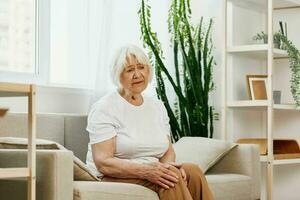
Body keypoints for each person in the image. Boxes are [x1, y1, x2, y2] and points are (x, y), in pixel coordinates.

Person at [86, 45, 214, 200]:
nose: (137, 74)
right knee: (170, 178)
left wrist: (165, 167)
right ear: (118, 75)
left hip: (149, 170)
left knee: (193, 171)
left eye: (141, 67)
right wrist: (146, 171)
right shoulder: (104, 108)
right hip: (112, 176)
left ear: (148, 71)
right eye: (130, 70)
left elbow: (168, 150)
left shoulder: (157, 106)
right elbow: (104, 163)